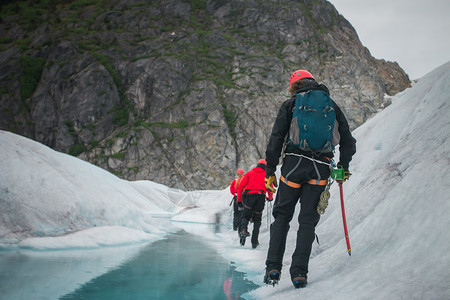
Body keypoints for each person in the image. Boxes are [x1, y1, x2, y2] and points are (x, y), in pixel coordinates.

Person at [263, 69, 356, 288]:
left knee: (282, 217)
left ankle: (273, 269)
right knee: (307, 222)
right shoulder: (331, 106)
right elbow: (348, 141)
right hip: (320, 169)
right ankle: (299, 274)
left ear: (294, 86)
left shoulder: (291, 104)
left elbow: (276, 139)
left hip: (294, 166)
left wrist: (269, 171)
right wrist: (343, 167)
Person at [237, 159, 273, 248]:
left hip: (249, 197)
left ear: (257, 165)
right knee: (257, 220)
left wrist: (239, 200)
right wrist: (270, 198)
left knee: (245, 216)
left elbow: (241, 186)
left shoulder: (249, 173)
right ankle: (254, 241)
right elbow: (270, 187)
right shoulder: (267, 175)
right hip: (260, 197)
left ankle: (243, 230)